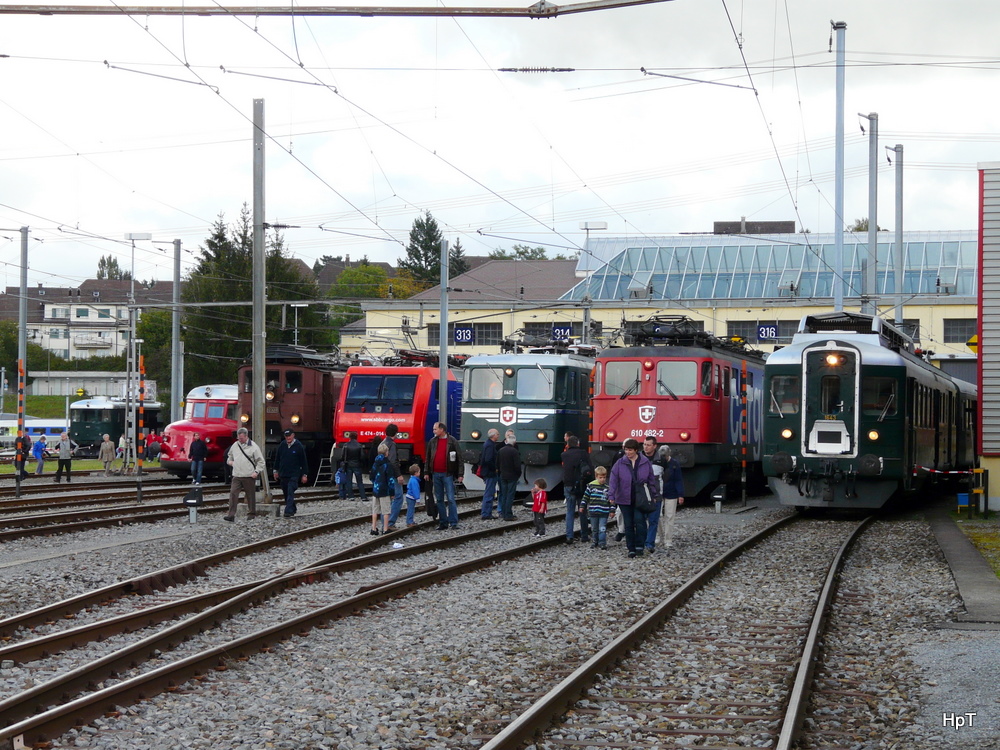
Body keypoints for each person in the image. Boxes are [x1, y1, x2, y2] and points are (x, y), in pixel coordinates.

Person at [607, 437, 660, 558]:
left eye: (630, 450)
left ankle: (640, 546)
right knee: (628, 524)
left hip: (640, 497)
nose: (628, 452)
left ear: (636, 450)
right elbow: (613, 480)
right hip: (624, 498)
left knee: (640, 521)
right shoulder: (620, 463)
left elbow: (651, 480)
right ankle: (631, 548)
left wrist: (653, 495)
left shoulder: (645, 462)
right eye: (626, 450)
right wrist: (611, 495)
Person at [424, 422, 463, 530]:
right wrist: (426, 472)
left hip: (448, 474)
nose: (434, 431)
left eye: (435, 429)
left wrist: (460, 474)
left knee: (450, 498)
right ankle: (443, 522)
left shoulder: (452, 441)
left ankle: (453, 522)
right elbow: (428, 457)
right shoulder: (432, 442)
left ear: (442, 429)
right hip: (435, 473)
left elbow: (459, 458)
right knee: (439, 499)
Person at [225, 427, 266, 522]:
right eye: (239, 438)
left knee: (250, 495)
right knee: (233, 494)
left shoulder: (254, 447)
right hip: (237, 475)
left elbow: (261, 461)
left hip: (249, 475)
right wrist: (230, 462)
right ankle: (231, 515)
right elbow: (229, 456)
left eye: (242, 438)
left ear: (246, 436)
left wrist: (256, 472)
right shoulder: (235, 445)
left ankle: (251, 513)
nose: (240, 440)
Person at [561, 435, 593, 543]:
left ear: (568, 444)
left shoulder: (564, 455)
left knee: (570, 511)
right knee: (582, 510)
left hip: (568, 485)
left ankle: (569, 536)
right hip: (581, 485)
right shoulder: (583, 454)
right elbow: (590, 469)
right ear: (578, 443)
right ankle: (584, 535)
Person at [273, 428, 309, 518]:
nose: (288, 438)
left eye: (289, 436)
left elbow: (303, 461)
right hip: (283, 473)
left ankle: (288, 511)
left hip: (294, 474)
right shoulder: (282, 445)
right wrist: (275, 471)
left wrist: (304, 474)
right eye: (286, 436)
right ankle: (293, 508)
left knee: (290, 491)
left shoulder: (298, 446)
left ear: (293, 435)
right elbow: (277, 459)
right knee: (286, 493)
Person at [641, 435, 668, 554]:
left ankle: (649, 543)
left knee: (653, 520)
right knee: (641, 520)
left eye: (648, 445)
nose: (646, 447)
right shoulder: (638, 458)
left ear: (654, 446)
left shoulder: (661, 460)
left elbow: (666, 476)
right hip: (641, 496)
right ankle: (642, 542)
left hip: (656, 495)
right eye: (644, 445)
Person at [655, 445, 685, 551]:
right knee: (657, 515)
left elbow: (678, 479)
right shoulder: (657, 463)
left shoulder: (675, 464)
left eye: (665, 456)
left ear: (669, 454)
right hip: (658, 493)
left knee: (670, 516)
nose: (664, 458)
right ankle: (659, 535)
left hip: (671, 493)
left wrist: (680, 494)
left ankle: (668, 540)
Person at [382, 424, 405, 530]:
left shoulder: (382, 443)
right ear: (396, 433)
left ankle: (384, 523)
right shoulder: (392, 444)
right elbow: (393, 461)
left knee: (386, 499)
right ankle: (390, 523)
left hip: (383, 474)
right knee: (398, 497)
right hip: (391, 475)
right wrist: (398, 475)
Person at [369, 443, 395, 534]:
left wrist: (375, 484)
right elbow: (390, 480)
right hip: (385, 490)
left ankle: (373, 528)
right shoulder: (388, 464)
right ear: (386, 452)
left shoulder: (375, 463)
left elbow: (371, 476)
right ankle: (385, 529)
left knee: (375, 509)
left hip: (376, 490)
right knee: (386, 510)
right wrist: (392, 493)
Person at [585, 466, 612, 549]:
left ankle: (602, 542)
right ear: (596, 477)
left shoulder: (607, 488)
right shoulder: (591, 486)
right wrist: (582, 506)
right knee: (594, 528)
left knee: (602, 528)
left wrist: (612, 510)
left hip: (604, 512)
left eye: (604, 477)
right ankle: (595, 541)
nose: (602, 479)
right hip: (593, 511)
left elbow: (611, 501)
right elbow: (585, 497)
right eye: (600, 477)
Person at [497, 434, 521, 521]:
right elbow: (517, 466)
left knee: (504, 495)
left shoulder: (501, 450)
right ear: (514, 442)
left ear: (506, 441)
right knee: (510, 495)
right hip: (512, 476)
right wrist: (518, 474)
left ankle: (503, 513)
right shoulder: (514, 451)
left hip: (503, 475)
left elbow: (497, 464)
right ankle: (508, 514)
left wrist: (500, 473)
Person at [479, 428, 500, 520]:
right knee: (489, 493)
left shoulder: (488, 444)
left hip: (488, 471)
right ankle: (486, 513)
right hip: (490, 473)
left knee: (490, 492)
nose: (498, 436)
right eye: (497, 434)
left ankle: (486, 512)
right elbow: (488, 459)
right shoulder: (490, 445)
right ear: (493, 435)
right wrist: (495, 468)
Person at [341, 432, 367, 501]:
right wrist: (362, 464)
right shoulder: (359, 445)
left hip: (348, 464)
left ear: (350, 437)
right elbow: (362, 456)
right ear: (356, 437)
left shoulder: (346, 445)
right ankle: (363, 496)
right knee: (360, 482)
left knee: (349, 481)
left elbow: (343, 456)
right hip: (357, 464)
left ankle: (351, 496)